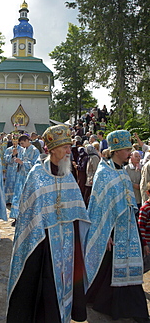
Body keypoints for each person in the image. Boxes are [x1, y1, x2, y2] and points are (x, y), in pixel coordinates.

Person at [6, 124, 90, 323]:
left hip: (67, 240)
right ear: (52, 150)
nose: (70, 151)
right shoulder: (36, 175)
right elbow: (29, 216)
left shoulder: (68, 174)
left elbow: (77, 208)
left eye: (70, 147)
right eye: (65, 148)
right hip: (44, 243)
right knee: (46, 286)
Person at [85, 130, 149, 322]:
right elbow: (97, 206)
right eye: (126, 149)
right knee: (110, 268)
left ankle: (118, 306)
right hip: (111, 230)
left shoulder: (121, 170)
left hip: (128, 228)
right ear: (115, 150)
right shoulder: (104, 174)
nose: (129, 152)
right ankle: (116, 307)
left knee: (124, 268)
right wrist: (105, 233)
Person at [10, 135, 40, 222]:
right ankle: (17, 217)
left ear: (27, 140)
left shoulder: (35, 151)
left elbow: (36, 165)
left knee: (26, 197)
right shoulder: (24, 150)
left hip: (29, 178)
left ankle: (26, 218)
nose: (22, 145)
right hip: (21, 177)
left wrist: (22, 162)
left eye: (23, 143)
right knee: (18, 196)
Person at [4, 133, 23, 204]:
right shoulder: (8, 150)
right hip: (10, 170)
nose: (14, 142)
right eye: (13, 141)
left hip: (18, 169)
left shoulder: (22, 150)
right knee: (9, 184)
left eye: (16, 141)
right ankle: (8, 200)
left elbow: (23, 158)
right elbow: (5, 159)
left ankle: (15, 200)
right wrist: (12, 155)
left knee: (17, 184)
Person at [138, 182, 150, 260]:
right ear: (148, 193)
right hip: (148, 242)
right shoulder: (145, 208)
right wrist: (144, 244)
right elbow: (141, 227)